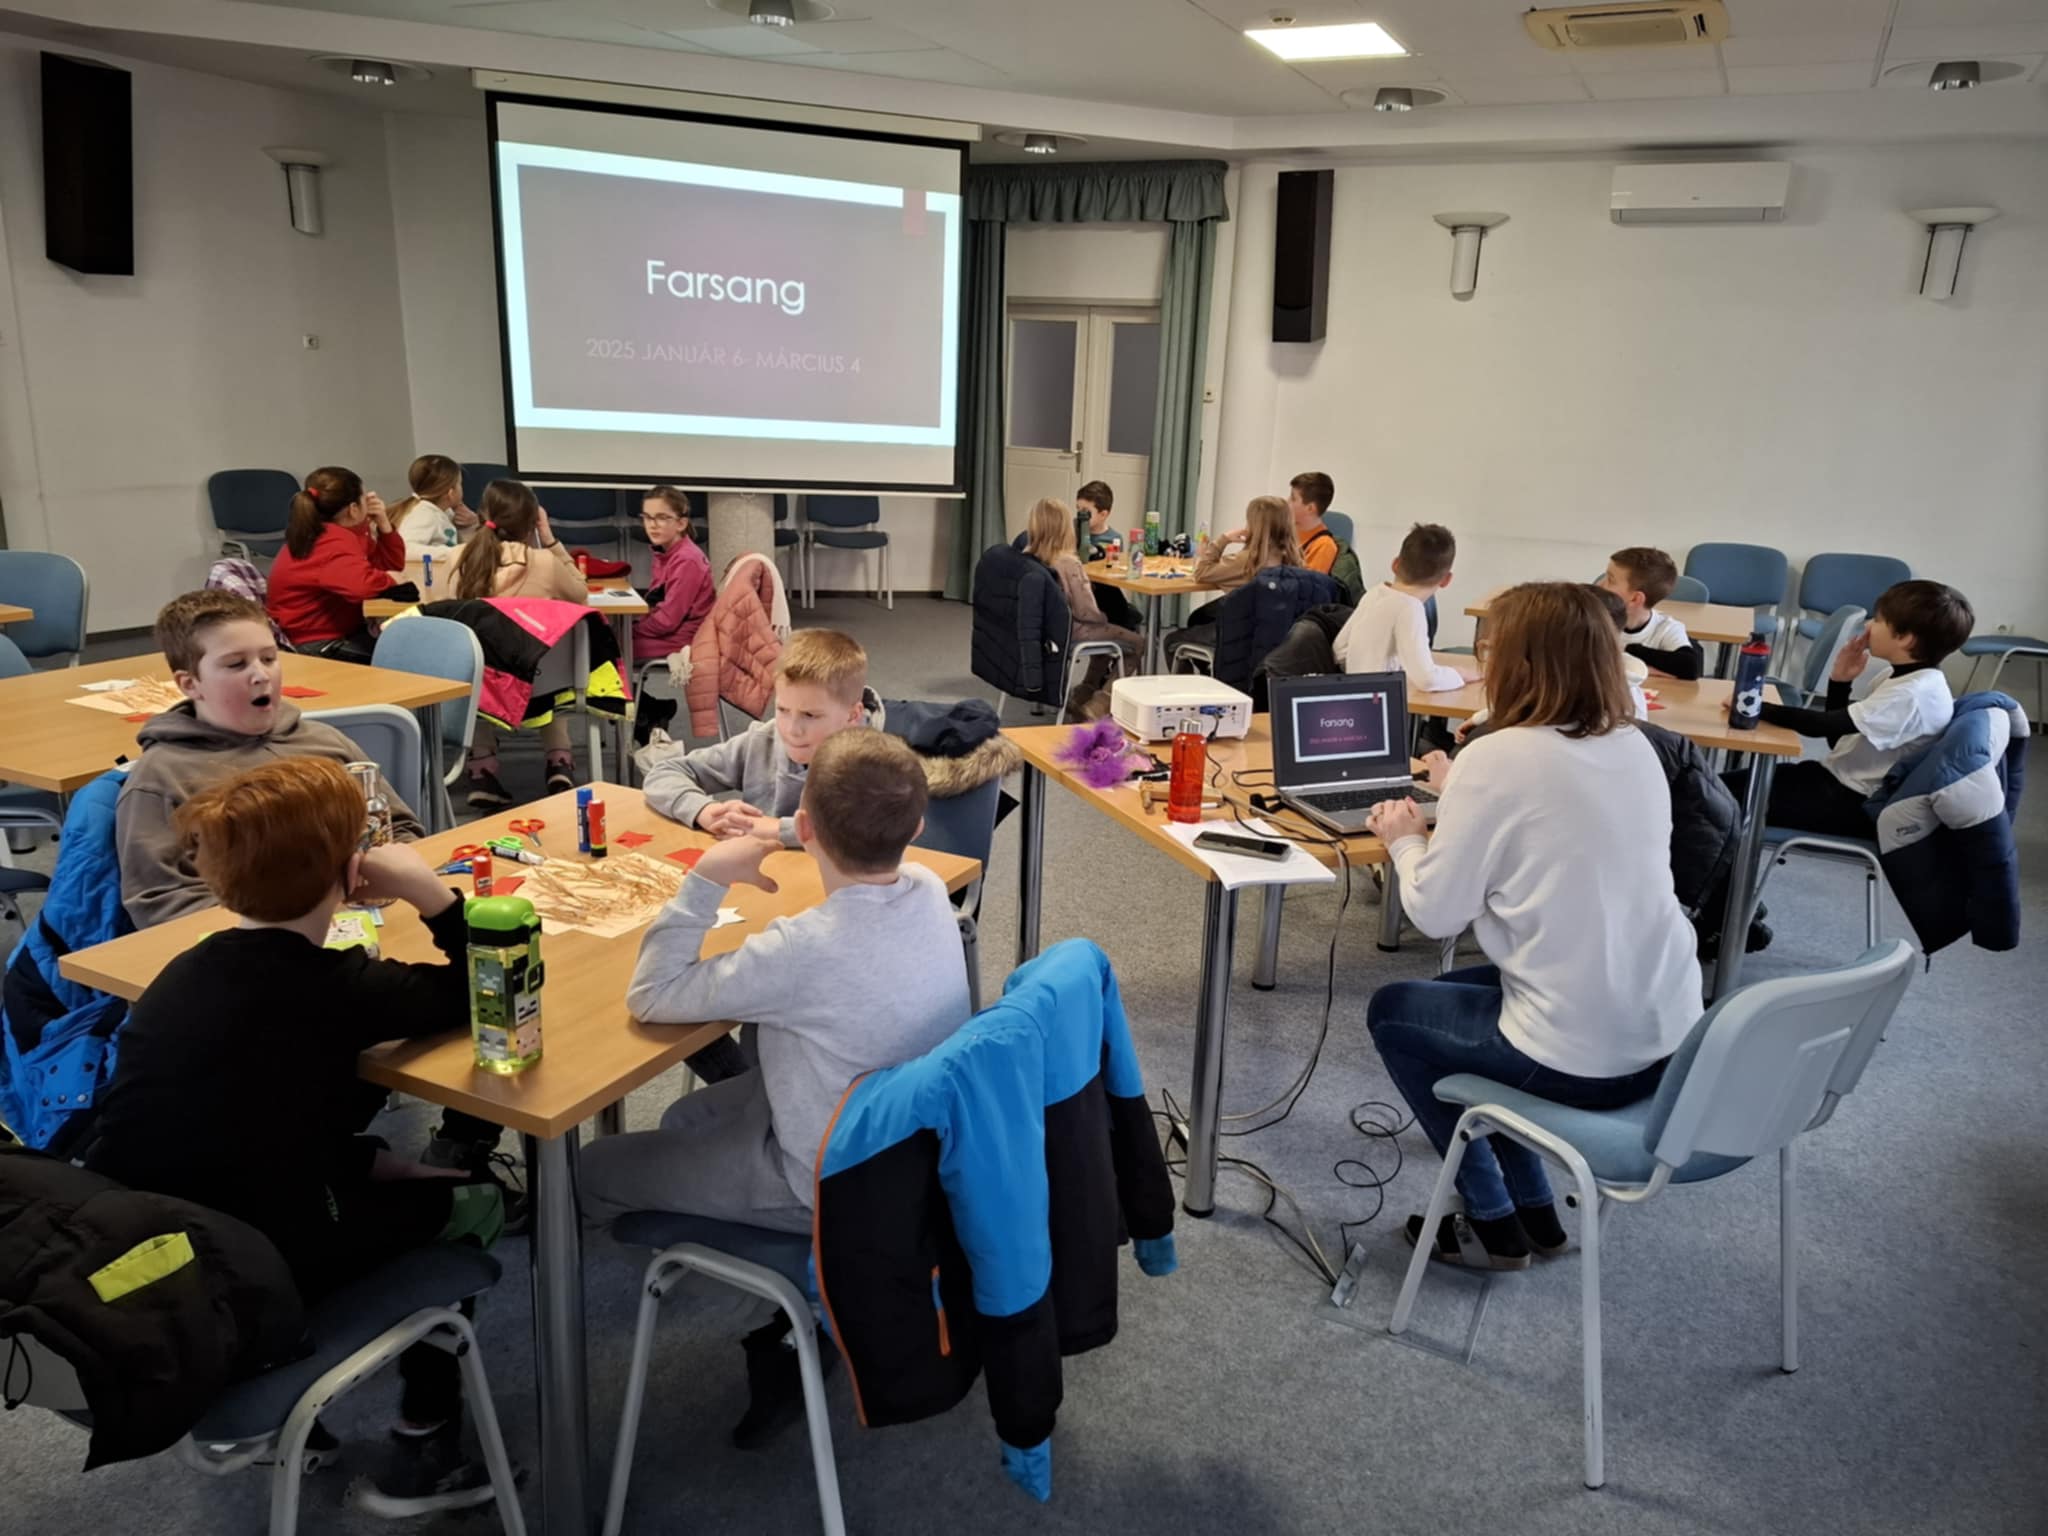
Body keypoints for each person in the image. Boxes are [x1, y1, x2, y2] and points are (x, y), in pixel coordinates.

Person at [83, 757, 507, 1516]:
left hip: (145, 1252)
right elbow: (489, 986)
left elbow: (256, 1114)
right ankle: (427, 1440)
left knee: (386, 1172)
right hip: (254, 1268)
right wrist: (432, 894)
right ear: (350, 871)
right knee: (477, 1204)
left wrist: (369, 1163)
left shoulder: (187, 969)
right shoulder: (338, 987)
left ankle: (303, 1426)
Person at [580, 728, 971, 1445]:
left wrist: (706, 878)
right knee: (689, 1116)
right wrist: (776, 830)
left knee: (590, 1171)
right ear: (917, 827)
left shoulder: (801, 950)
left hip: (820, 1182)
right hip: (904, 1153)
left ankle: (574, 1350)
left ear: (807, 826)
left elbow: (652, 995)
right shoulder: (925, 888)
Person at [1363, 583, 1702, 1272]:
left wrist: (1405, 839)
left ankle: (1492, 1220)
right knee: (1457, 997)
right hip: (1663, 1041)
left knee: (1395, 1011)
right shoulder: (1635, 744)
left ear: (1519, 661)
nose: (1486, 657)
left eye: (1493, 647)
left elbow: (1435, 913)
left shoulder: (1498, 757)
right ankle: (1536, 1212)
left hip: (1583, 1061)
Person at [118, 590, 425, 928]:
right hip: (248, 945)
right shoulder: (162, 777)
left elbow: (402, 830)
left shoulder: (325, 742)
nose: (261, 675)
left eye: (268, 658)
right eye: (236, 664)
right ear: (190, 684)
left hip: (366, 921)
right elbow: (161, 902)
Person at [1723, 579, 1972, 840]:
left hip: (1852, 802)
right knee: (1712, 789)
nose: (1868, 625)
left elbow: (1819, 726)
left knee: (1711, 800)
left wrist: (1754, 706)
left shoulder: (1912, 695)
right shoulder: (1904, 678)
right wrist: (1840, 682)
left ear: (1905, 638)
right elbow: (1837, 740)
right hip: (1833, 780)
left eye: (1878, 620)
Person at [642, 628, 881, 846]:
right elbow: (663, 773)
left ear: (853, 715)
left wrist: (774, 830)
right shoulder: (763, 740)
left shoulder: (875, 762)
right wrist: (704, 810)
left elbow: (866, 829)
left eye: (810, 715)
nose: (792, 729)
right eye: (783, 710)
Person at [451, 478, 588, 803]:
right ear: (532, 522)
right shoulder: (545, 563)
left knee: (476, 662)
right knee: (545, 658)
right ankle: (559, 761)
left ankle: (481, 768)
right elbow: (580, 592)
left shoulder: (458, 560)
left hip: (482, 687)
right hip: (540, 683)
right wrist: (549, 539)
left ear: (484, 514)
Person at [266, 465, 406, 662]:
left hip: (324, 634)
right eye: (364, 497)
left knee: (404, 643)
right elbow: (362, 586)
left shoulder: (327, 533)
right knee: (409, 655)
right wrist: (391, 581)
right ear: (353, 509)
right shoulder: (332, 541)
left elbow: (388, 564)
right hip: (316, 644)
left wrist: (383, 523)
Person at [1024, 496, 1143, 718]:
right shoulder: (1068, 563)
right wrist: (1103, 618)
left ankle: (1084, 692)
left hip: (1046, 630)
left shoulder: (1029, 557)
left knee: (1108, 637)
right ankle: (1101, 702)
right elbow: (1086, 611)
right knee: (1136, 643)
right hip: (1074, 630)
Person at [1334, 522, 1480, 693]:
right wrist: (1459, 674)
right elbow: (1427, 680)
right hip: (1382, 700)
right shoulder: (1410, 609)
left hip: (1356, 694)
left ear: (1395, 564)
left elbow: (1339, 650)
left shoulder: (1374, 594)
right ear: (1446, 580)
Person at [1167, 495, 1305, 662]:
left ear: (1254, 526)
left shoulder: (1247, 561)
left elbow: (1201, 573)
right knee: (1199, 617)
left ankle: (1209, 674)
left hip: (1241, 633)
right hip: (1275, 633)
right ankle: (1215, 671)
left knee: (1172, 641)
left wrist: (1222, 540)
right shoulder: (1295, 559)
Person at [632, 485, 715, 666]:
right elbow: (658, 606)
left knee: (610, 646)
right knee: (607, 638)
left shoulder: (687, 560)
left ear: (681, 524)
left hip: (682, 638)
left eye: (662, 517)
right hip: (670, 633)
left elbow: (667, 621)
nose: (652, 525)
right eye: (647, 517)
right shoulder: (665, 552)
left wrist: (634, 629)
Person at [1598, 546, 1702, 680]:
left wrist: (1628, 649)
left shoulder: (1666, 628)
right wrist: (1649, 669)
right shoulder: (1595, 619)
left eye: (1610, 580)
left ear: (1635, 599)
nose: (1600, 585)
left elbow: (1690, 666)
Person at [1076, 479, 1141, 631]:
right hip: (1082, 590)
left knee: (1118, 601)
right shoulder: (1073, 533)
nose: (1080, 515)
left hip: (1102, 588)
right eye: (1078, 509)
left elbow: (1114, 571)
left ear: (1103, 514)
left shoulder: (1114, 539)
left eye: (1086, 511)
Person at [392, 454, 477, 561]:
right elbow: (406, 550)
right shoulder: (424, 515)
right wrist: (452, 552)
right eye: (460, 484)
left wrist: (472, 523)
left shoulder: (445, 512)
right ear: (451, 493)